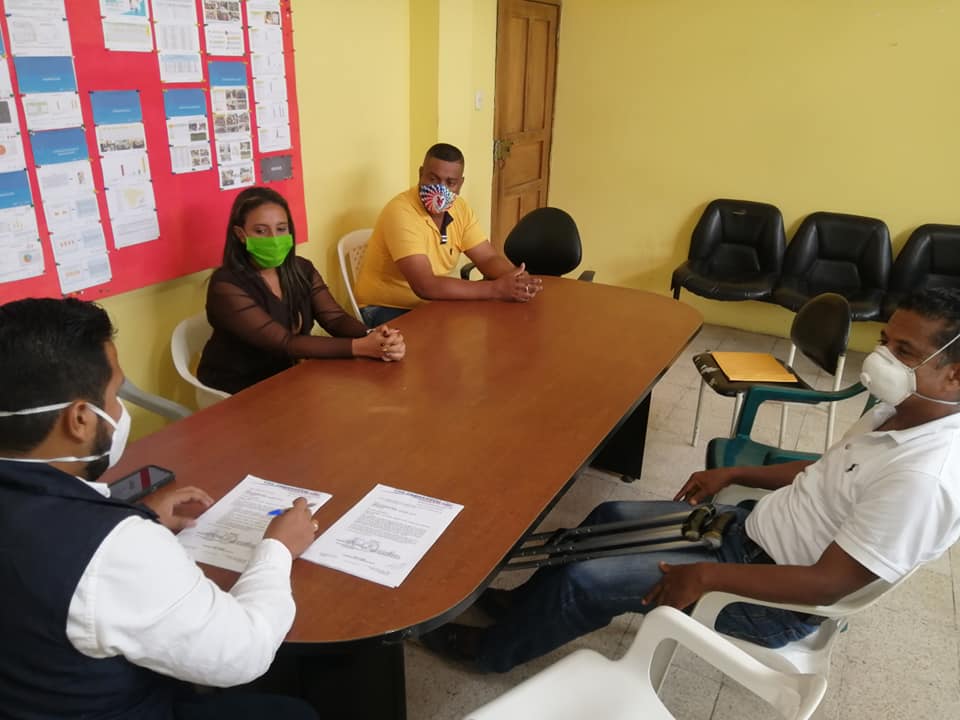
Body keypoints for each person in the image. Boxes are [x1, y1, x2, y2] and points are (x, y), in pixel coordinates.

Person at [420, 287, 960, 673]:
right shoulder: (897, 412)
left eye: (904, 352)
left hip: (771, 598)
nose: (882, 358)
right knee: (607, 516)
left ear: (955, 373)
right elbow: (826, 474)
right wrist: (736, 471)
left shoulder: (925, 476)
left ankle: (492, 653)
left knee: (586, 581)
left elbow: (829, 585)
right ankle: (523, 607)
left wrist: (706, 576)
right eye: (886, 341)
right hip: (745, 533)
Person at [0, 297, 319, 719]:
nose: (120, 411)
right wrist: (278, 549)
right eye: (115, 395)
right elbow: (245, 651)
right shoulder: (112, 550)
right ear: (80, 420)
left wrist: (133, 513)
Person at [198, 186, 405, 394]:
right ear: (241, 235)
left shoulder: (302, 269)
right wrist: (361, 346)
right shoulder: (225, 286)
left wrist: (376, 337)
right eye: (261, 231)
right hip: (238, 388)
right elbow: (285, 343)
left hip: (289, 376)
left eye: (281, 229)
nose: (273, 238)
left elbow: (335, 319)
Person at [354, 143, 543, 328]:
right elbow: (425, 286)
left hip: (432, 302)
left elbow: (487, 258)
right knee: (455, 336)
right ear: (420, 174)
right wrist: (496, 289)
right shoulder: (400, 212)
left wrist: (515, 278)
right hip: (386, 308)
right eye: (433, 179)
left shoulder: (460, 209)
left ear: (460, 184)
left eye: (450, 183)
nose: (440, 190)